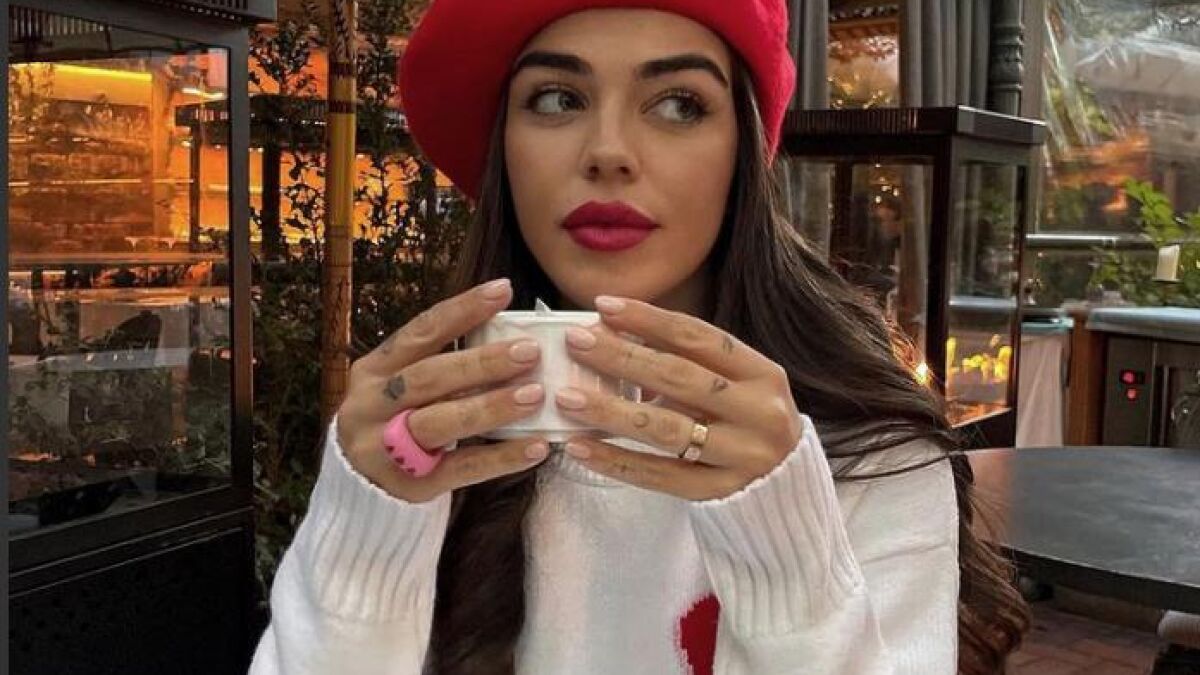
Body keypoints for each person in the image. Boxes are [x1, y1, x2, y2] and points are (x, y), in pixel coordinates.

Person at [249, 2, 1029, 674]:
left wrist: (785, 554)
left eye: (680, 103)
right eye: (557, 98)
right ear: (503, 149)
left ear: (744, 151)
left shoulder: (867, 452)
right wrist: (364, 537)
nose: (609, 152)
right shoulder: (430, 440)